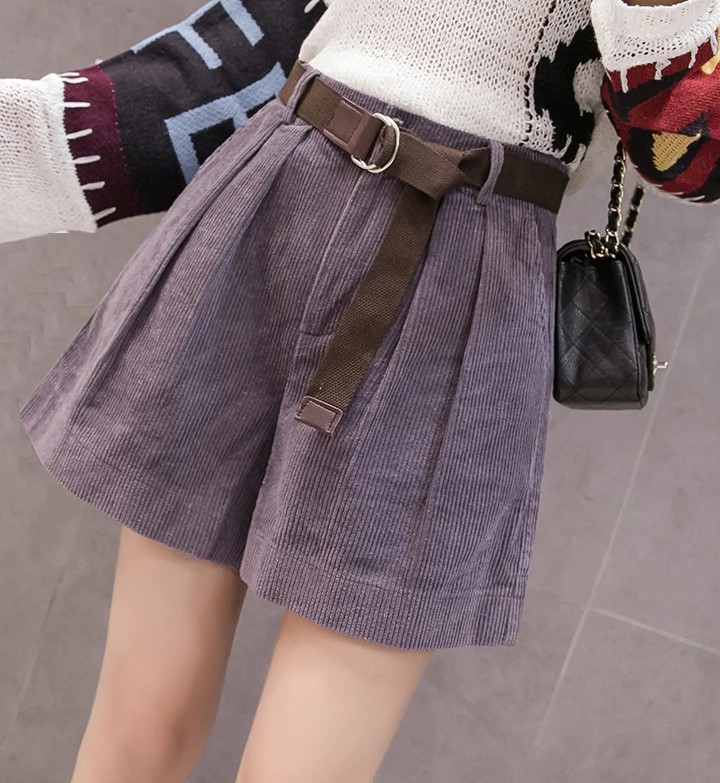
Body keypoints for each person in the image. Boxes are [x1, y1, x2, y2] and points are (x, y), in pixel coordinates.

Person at [2, 1, 719, 781]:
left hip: (466, 273)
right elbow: (268, 33)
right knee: (137, 730)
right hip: (280, 190)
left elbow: (692, 155)